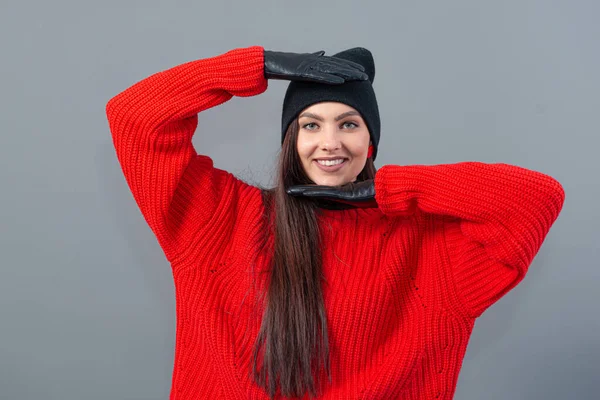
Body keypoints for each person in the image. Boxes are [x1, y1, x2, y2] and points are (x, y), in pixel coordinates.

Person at [105, 45, 565, 400]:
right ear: (289, 140)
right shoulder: (220, 219)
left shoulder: (428, 246)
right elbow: (134, 118)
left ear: (372, 142)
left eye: (349, 124)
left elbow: (535, 198)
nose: (330, 142)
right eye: (310, 125)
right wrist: (260, 64)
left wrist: (388, 190)